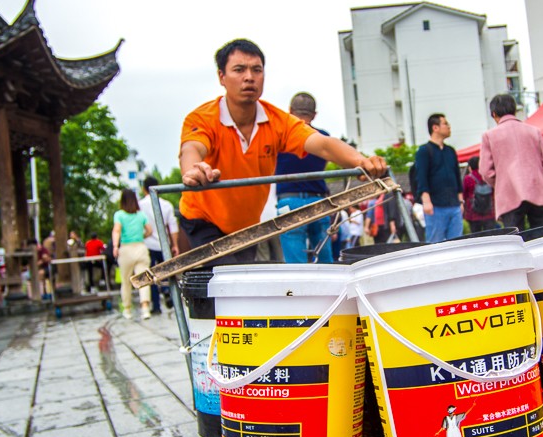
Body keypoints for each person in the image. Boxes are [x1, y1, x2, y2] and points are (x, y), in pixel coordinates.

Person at [178, 39, 386, 264]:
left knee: (244, 288)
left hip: (245, 226)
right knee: (219, 288)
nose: (249, 77)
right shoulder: (203, 118)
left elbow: (323, 144)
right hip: (203, 219)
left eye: (256, 70)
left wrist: (361, 160)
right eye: (239, 70)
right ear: (222, 77)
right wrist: (193, 170)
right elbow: (191, 147)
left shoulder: (277, 121)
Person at [479, 93, 543, 231]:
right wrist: (536, 172)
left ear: (494, 114)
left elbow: (485, 171)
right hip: (537, 190)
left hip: (509, 195)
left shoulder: (489, 136)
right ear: (514, 110)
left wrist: (500, 182)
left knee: (516, 240)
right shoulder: (534, 131)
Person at [274, 92, 334, 263]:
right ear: (314, 114)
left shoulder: (280, 137)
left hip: (289, 201)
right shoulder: (323, 137)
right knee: (325, 259)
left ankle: (298, 290)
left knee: (295, 264)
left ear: (290, 111)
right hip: (319, 201)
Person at [416, 113, 463, 242]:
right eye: (445, 124)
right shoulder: (424, 151)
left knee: (457, 243)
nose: (449, 127)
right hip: (435, 206)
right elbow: (421, 178)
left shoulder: (450, 151)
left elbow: (457, 176)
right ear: (435, 128)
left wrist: (461, 201)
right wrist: (426, 201)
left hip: (454, 205)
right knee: (435, 244)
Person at [139, 176, 179, 314]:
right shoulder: (166, 204)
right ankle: (168, 291)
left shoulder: (140, 205)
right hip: (164, 244)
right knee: (167, 273)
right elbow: (172, 226)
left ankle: (156, 306)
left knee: (151, 276)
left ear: (144, 189)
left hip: (147, 245)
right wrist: (175, 245)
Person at [112, 189, 153, 319]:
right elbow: (150, 230)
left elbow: (117, 230)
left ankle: (127, 309)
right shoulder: (141, 215)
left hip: (126, 249)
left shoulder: (119, 214)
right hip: (140, 247)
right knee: (143, 279)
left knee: (126, 281)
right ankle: (145, 308)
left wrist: (115, 246)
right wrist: (142, 236)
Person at [463, 156, 498, 233]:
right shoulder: (487, 176)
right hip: (489, 212)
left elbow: (464, 195)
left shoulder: (468, 179)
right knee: (491, 235)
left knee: (476, 236)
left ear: (470, 167)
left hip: (473, 214)